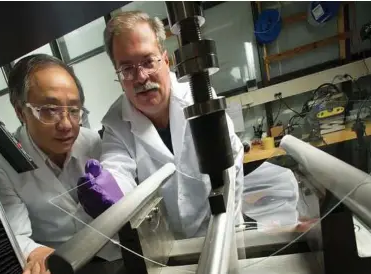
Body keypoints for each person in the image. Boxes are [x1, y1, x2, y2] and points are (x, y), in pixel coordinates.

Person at [77, 11, 245, 238]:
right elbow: (118, 169)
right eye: (127, 69)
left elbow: (231, 164)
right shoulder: (115, 123)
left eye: (148, 61)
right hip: (167, 249)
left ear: (166, 61)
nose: (141, 77)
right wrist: (109, 189)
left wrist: (230, 233)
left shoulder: (200, 97)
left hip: (221, 230)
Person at [0, 54, 119, 274]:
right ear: (20, 111)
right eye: (49, 110)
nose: (66, 125)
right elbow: (15, 233)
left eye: (74, 110)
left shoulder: (92, 142)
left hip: (113, 257)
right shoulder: (0, 162)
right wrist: (37, 254)